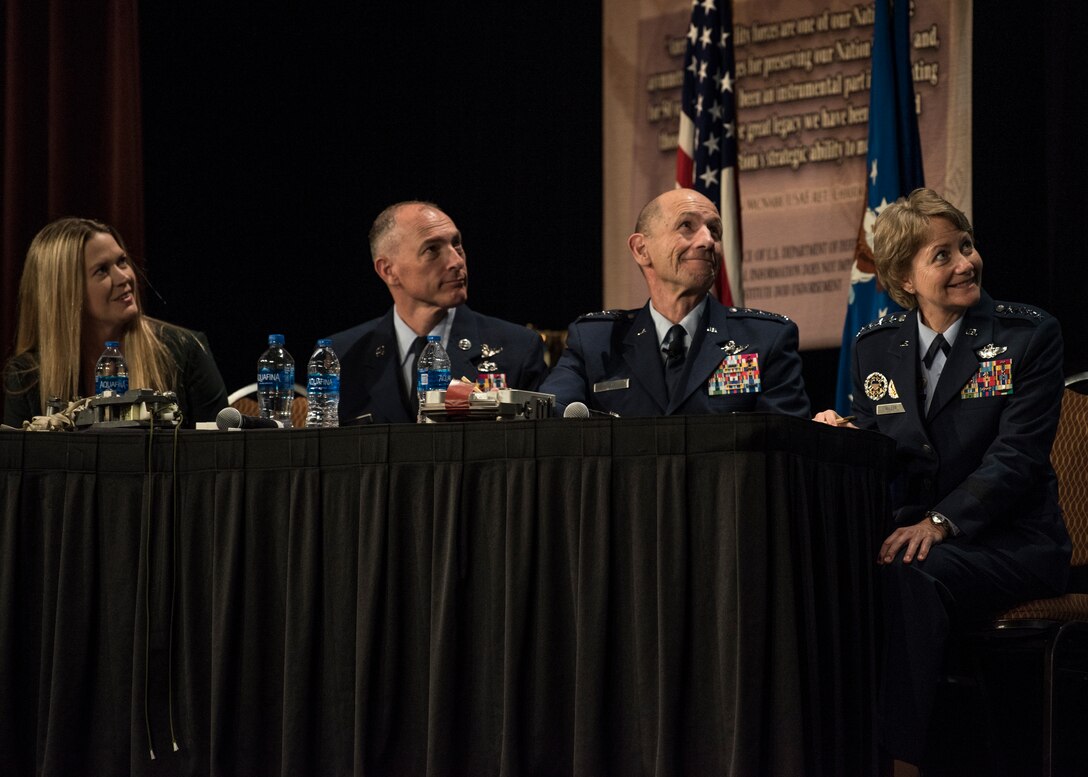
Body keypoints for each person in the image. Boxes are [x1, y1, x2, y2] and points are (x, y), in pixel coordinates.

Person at [813, 188, 1070, 770]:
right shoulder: (874, 348)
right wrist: (843, 436)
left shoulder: (1027, 335)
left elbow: (1017, 457)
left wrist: (941, 522)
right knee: (821, 574)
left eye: (967, 246)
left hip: (1014, 541)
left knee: (908, 575)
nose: (965, 263)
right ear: (903, 276)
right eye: (943, 255)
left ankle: (898, 762)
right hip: (919, 539)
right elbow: (888, 450)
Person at [539, 188, 809, 418]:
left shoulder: (766, 339)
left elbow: (786, 448)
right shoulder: (595, 341)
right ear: (641, 250)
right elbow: (547, 415)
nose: (707, 241)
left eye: (714, 230)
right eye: (686, 226)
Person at [328, 200, 548, 424]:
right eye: (432, 249)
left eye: (457, 244)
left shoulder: (518, 350)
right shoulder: (342, 356)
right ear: (388, 270)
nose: (456, 261)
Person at [2, 217, 229, 428]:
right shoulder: (26, 377)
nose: (125, 277)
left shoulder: (186, 351)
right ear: (65, 292)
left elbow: (222, 458)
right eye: (102, 270)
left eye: (122, 261)